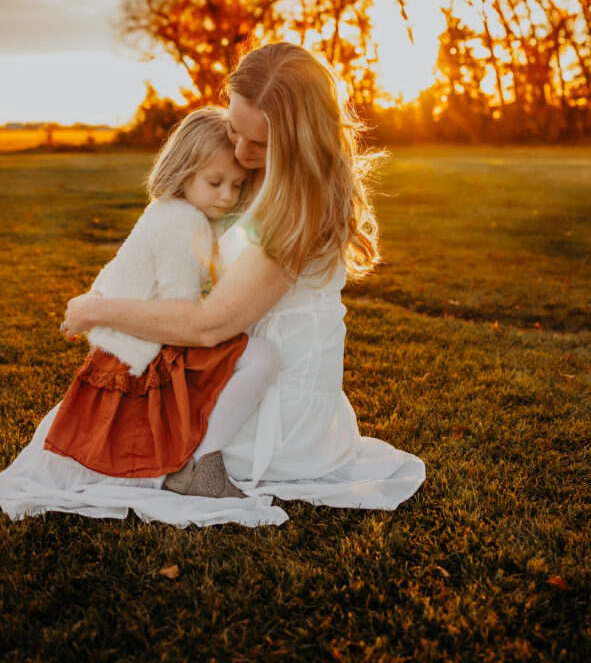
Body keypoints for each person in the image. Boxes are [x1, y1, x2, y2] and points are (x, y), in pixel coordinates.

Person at [0, 43, 424, 528]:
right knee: (91, 422)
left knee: (105, 447)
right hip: (249, 366)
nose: (243, 155)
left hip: (278, 408)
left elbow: (207, 327)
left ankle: (200, 462)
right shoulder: (281, 180)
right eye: (234, 130)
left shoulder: (298, 210)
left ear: (298, 139)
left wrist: (98, 310)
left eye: (260, 145)